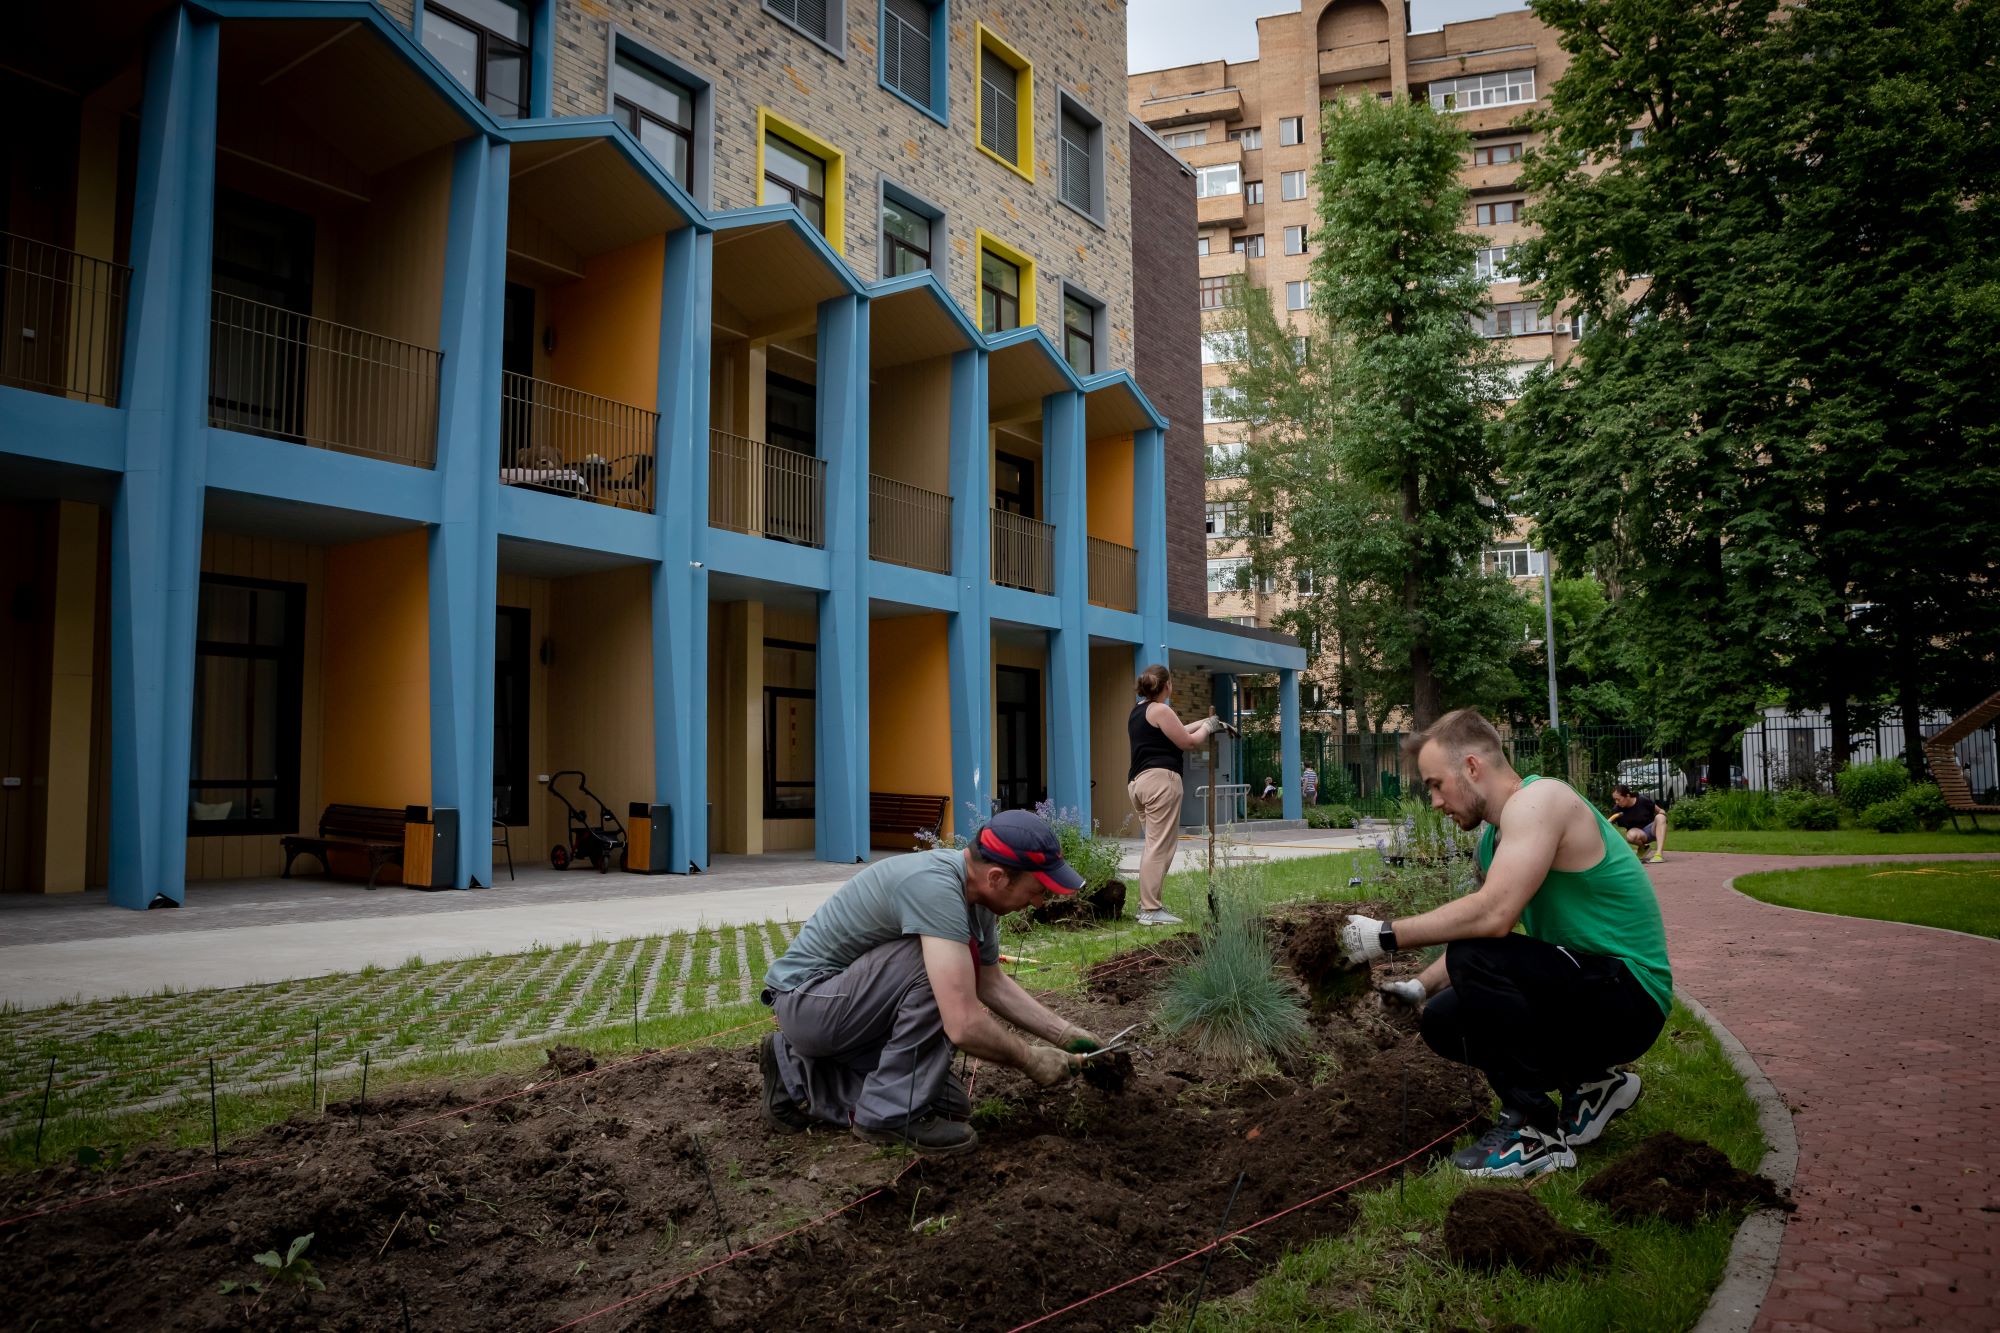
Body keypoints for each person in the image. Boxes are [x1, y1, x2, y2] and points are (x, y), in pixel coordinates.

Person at [1345, 709, 1673, 1179]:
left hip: (1631, 996)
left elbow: (1493, 916)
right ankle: (1591, 1085)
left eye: (1437, 784)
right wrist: (1419, 986)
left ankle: (1535, 1132)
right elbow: (1485, 928)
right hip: (1587, 988)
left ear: (1473, 767)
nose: (1434, 801)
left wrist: (1382, 936)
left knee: (1473, 958)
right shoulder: (1494, 841)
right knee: (1442, 1019)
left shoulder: (1542, 800)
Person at [757, 809, 1101, 1157]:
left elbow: (990, 983)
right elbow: (963, 1024)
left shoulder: (976, 896)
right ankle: (885, 1115)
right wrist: (1031, 1059)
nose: (1040, 902)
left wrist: (1065, 1034)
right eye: (1038, 890)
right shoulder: (935, 887)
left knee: (950, 1104)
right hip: (809, 1001)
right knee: (941, 969)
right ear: (997, 877)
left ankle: (794, 1071)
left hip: (848, 1012)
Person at [1127, 664, 1230, 927]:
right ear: (1167, 685)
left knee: (1153, 845)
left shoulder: (1139, 711)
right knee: (1159, 846)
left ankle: (1148, 906)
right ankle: (1151, 909)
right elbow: (1188, 741)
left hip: (1139, 783)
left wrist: (1209, 723)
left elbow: (1178, 729)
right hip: (1161, 781)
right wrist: (1207, 728)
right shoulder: (1162, 709)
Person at [1609, 783, 1668, 863]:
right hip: (1638, 833)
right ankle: (1643, 848)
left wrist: (1663, 819)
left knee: (1661, 817)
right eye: (1614, 800)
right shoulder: (1617, 810)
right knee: (1630, 836)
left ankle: (1659, 854)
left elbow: (1660, 811)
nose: (1616, 802)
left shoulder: (1643, 800)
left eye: (1618, 799)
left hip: (1652, 829)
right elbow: (1608, 825)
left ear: (1627, 796)